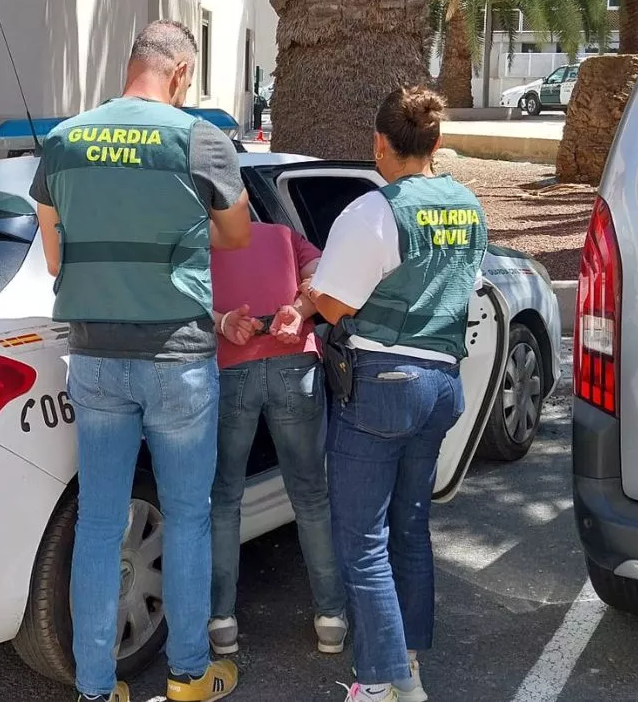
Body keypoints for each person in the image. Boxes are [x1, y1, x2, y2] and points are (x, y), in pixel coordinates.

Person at [30, 19, 252, 702]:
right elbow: (238, 234)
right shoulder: (197, 139)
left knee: (100, 521)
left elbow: (55, 255)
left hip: (96, 357)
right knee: (187, 517)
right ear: (181, 73)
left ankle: (97, 689)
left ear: (132, 65)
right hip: (178, 357)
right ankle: (189, 678)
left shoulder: (65, 142)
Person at [303, 86, 488, 702]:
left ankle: (380, 683)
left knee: (362, 541)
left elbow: (335, 305)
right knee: (410, 527)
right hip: (441, 385)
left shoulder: (373, 212)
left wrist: (309, 290)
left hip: (381, 385)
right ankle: (407, 669)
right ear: (435, 144)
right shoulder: (468, 206)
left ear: (380, 143)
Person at [206, 221, 348, 657]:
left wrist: (222, 321)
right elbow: (326, 273)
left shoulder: (199, 237)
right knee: (310, 497)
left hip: (230, 366)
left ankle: (222, 622)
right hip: (294, 365)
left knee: (225, 499)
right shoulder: (285, 235)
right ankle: (330, 619)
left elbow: (181, 295)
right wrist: (300, 306)